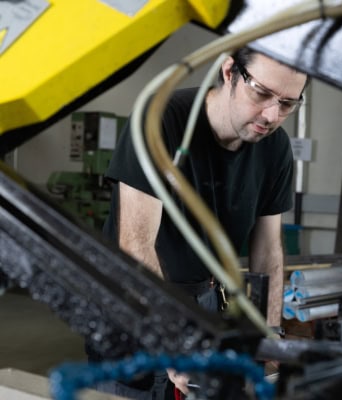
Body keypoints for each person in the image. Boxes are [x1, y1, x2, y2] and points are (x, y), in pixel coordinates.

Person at [93, 47, 307, 399]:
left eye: (287, 104)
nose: (271, 115)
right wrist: (174, 341)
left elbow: (268, 250)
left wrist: (268, 333)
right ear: (229, 72)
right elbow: (135, 245)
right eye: (262, 93)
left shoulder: (275, 148)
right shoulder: (160, 120)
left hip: (204, 302)